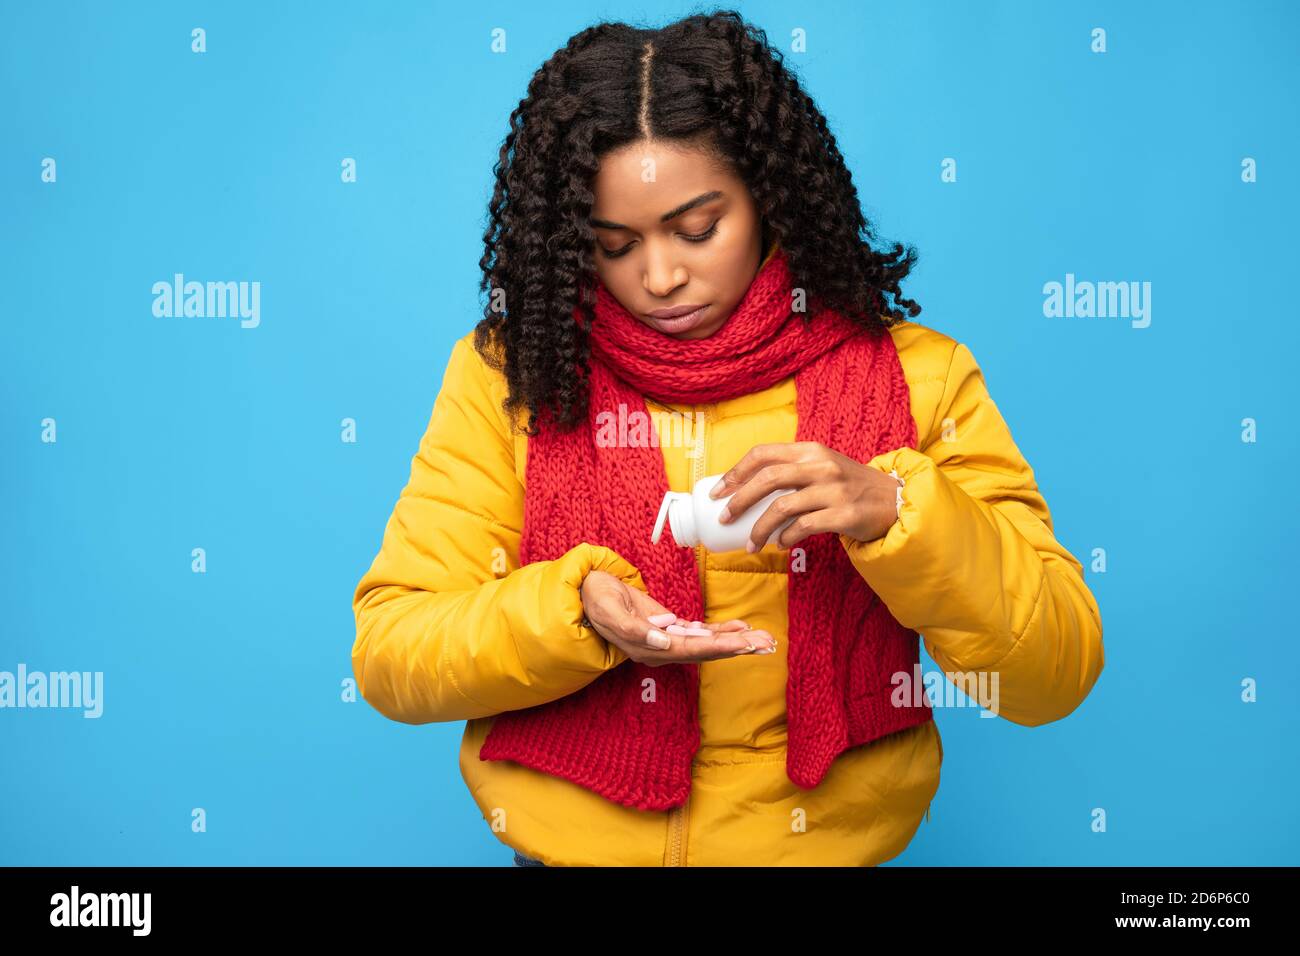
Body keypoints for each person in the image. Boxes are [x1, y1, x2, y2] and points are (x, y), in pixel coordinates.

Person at [351, 10, 1104, 867]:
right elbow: (391, 653)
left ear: (770, 196)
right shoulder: (514, 378)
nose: (661, 276)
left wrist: (900, 513)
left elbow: (1054, 669)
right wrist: (572, 613)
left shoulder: (919, 377)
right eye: (615, 245)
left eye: (698, 229)